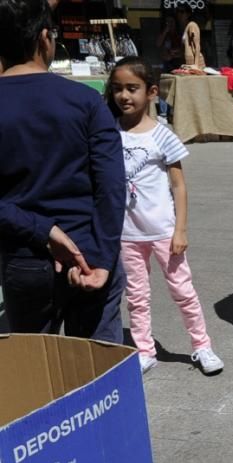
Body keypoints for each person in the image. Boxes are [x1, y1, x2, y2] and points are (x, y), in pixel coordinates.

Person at [0, 0, 126, 344]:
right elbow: (112, 186)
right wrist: (101, 259)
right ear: (45, 38)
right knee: (101, 378)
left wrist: (43, 230)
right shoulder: (85, 101)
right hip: (89, 253)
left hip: (24, 259)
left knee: (35, 378)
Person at [107, 58, 224, 376]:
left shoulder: (163, 135)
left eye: (133, 88)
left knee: (183, 291)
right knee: (137, 297)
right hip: (127, 234)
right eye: (117, 89)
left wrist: (181, 229)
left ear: (151, 92)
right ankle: (145, 350)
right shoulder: (109, 133)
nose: (124, 96)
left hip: (163, 232)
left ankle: (201, 346)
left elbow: (179, 186)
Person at [176, 3, 205, 68]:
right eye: (178, 12)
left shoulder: (192, 25)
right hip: (189, 64)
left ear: (188, 14)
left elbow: (197, 45)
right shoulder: (184, 28)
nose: (179, 14)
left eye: (182, 12)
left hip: (196, 64)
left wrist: (196, 65)